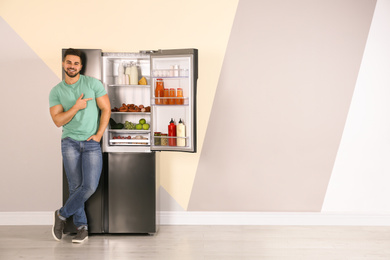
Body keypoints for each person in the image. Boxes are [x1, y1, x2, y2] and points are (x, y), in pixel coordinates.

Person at [49, 48, 111, 243]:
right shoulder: (56, 91)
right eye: (69, 62)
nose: (72, 66)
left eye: (76, 63)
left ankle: (61, 214)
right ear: (63, 64)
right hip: (69, 142)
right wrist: (76, 106)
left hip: (91, 142)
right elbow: (58, 121)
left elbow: (106, 108)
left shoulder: (92, 84)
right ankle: (82, 228)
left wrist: (99, 134)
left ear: (81, 66)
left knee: (90, 186)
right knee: (75, 186)